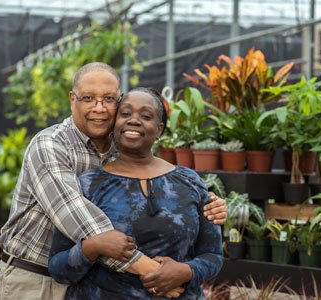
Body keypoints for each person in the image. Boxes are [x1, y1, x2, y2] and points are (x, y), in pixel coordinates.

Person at [0, 62, 227, 300]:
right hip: (33, 279)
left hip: (87, 280)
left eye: (108, 99)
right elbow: (82, 222)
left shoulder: (121, 146)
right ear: (73, 99)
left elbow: (166, 192)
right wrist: (158, 274)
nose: (99, 108)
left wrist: (208, 203)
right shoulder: (51, 145)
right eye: (88, 98)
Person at [48, 87, 224, 299]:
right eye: (125, 113)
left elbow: (213, 255)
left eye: (146, 116)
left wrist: (186, 271)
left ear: (159, 130)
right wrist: (91, 248)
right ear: (114, 126)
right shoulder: (88, 184)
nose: (133, 120)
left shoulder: (189, 181)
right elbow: (58, 268)